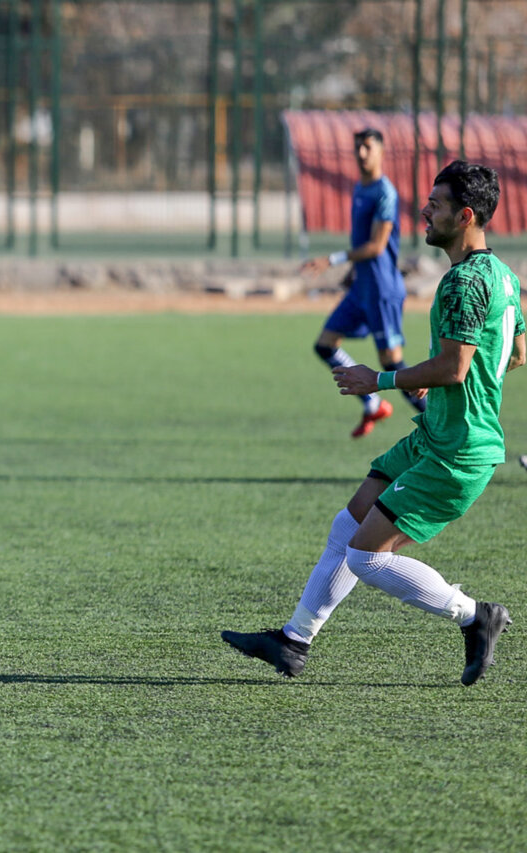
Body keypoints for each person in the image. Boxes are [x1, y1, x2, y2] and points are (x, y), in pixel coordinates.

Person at [224, 160, 525, 686]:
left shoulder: (461, 283)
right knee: (350, 522)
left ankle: (475, 616)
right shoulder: (502, 277)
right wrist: (460, 376)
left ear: (467, 215)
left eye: (437, 204)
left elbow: (456, 366)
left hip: (459, 450)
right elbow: (516, 352)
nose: (425, 211)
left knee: (366, 556)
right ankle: (294, 641)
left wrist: (381, 380)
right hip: (438, 436)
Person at [302, 128, 428, 438]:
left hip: (383, 290)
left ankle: (439, 424)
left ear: (381, 152)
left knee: (393, 364)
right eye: (357, 147)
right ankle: (372, 405)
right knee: (324, 344)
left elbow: (376, 246)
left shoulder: (385, 193)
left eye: (367, 147)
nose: (361, 153)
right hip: (362, 287)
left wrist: (332, 260)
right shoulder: (361, 187)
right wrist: (351, 274)